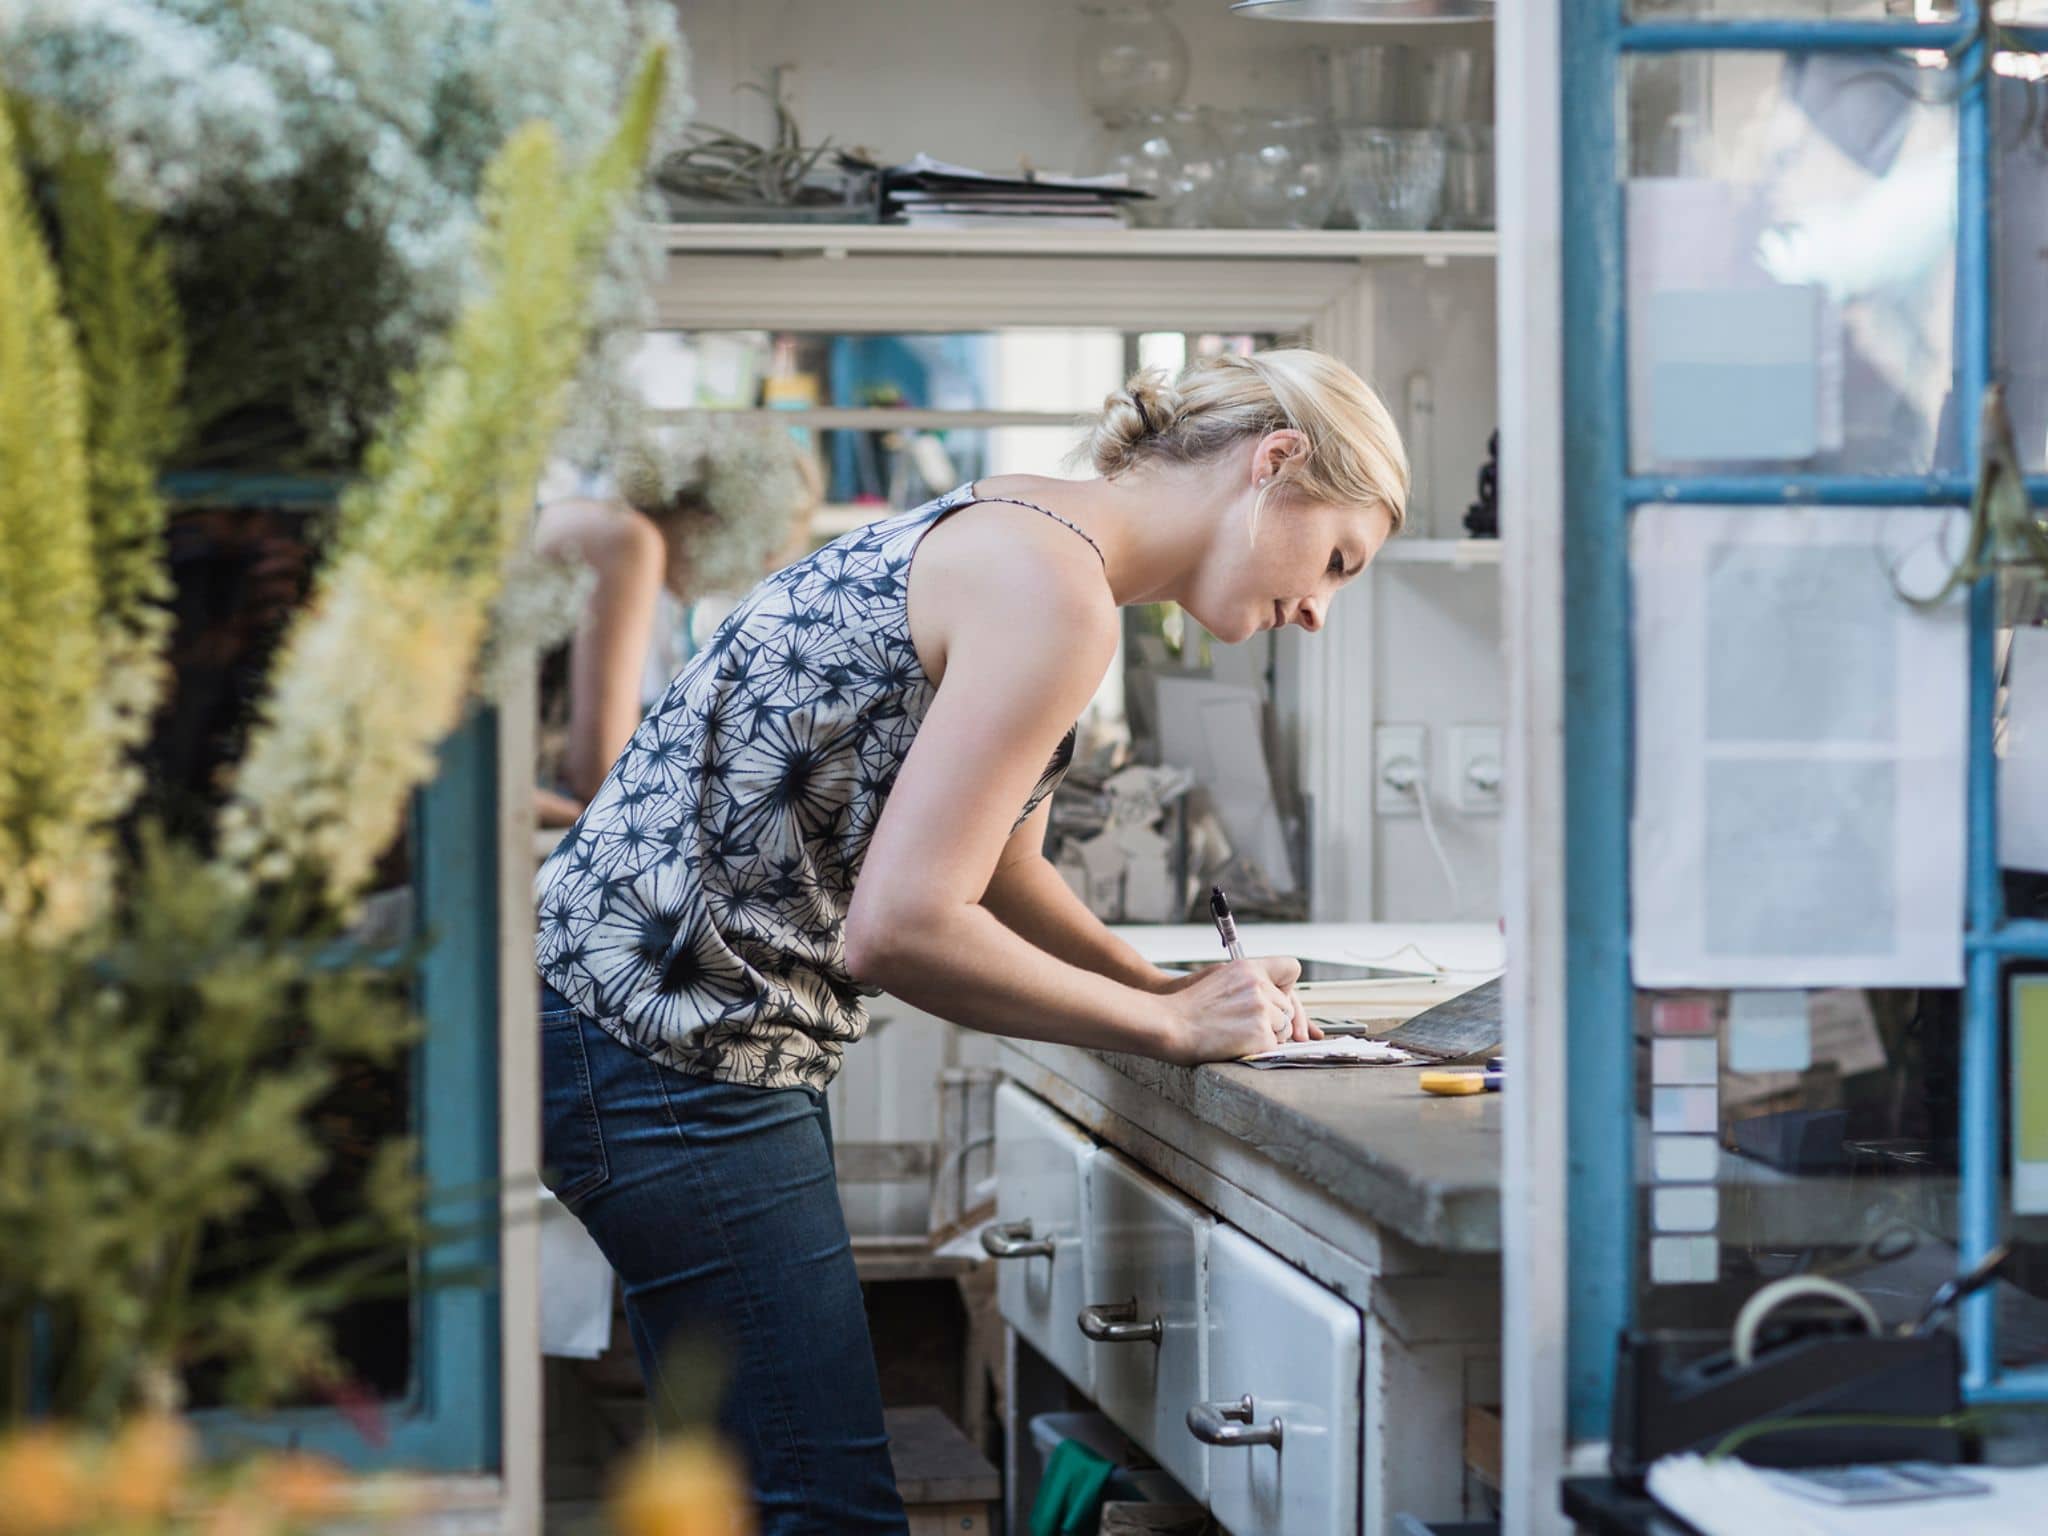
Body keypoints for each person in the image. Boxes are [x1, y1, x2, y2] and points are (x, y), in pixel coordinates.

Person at [533, 348, 1408, 1533]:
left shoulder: (1032, 538)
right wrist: (1165, 1025)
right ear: (1275, 463)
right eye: (1335, 561)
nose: (1316, 610)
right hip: (665, 1048)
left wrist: (1161, 980)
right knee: (822, 1506)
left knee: (735, 1492)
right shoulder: (1055, 595)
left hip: (630, 1026)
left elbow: (999, 867)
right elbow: (903, 926)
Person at [531, 426, 824, 826]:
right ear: (712, 524)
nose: (734, 584)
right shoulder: (631, 542)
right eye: (753, 562)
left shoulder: (605, 521)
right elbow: (600, 774)